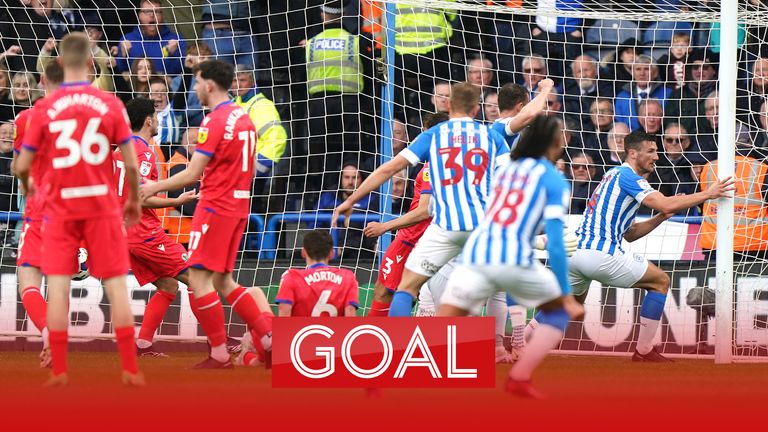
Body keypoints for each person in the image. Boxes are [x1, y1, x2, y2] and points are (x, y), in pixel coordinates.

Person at [15, 32, 143, 385]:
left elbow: (21, 166)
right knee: (116, 283)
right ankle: (130, 369)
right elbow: (130, 164)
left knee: (53, 285)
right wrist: (132, 200)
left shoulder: (40, 111)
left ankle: (59, 369)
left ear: (55, 67)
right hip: (100, 205)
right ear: (90, 61)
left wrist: (31, 191)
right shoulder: (111, 103)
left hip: (57, 206)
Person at [332, 82, 510, 317]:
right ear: (476, 109)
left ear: (448, 105)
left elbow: (387, 170)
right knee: (478, 296)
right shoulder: (492, 137)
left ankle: (400, 349)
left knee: (406, 288)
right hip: (483, 229)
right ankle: (479, 346)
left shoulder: (434, 135)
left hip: (445, 227)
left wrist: (349, 201)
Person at [437, 115, 584, 399]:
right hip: (511, 256)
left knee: (447, 319)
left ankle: (390, 379)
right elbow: (555, 241)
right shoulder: (554, 179)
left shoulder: (506, 169)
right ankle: (519, 376)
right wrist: (565, 291)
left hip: (478, 251)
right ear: (553, 142)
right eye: (561, 134)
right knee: (558, 312)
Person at [140, 59, 273, 369]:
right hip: (239, 205)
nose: (195, 88)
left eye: (198, 82)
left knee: (200, 280)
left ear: (210, 84)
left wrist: (152, 187)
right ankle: (269, 338)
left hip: (216, 207)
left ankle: (219, 353)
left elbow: (192, 174)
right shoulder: (244, 117)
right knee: (224, 280)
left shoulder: (214, 121)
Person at [565, 131, 734, 362]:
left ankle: (521, 343)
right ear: (633, 153)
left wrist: (661, 217)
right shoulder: (628, 177)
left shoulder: (611, 176)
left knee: (569, 307)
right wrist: (709, 193)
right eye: (651, 151)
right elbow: (664, 201)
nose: (656, 157)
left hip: (575, 253)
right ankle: (644, 350)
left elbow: (631, 234)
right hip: (600, 253)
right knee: (660, 281)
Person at [115, 98, 197, 357]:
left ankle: (143, 344)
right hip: (144, 231)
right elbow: (141, 196)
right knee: (197, 279)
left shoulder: (118, 151)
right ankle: (219, 342)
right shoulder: (144, 151)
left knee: (168, 286)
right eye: (157, 117)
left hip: (124, 232)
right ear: (148, 120)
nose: (159, 121)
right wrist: (177, 200)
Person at [362, 112, 448, 317]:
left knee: (388, 292)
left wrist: (384, 226)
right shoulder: (449, 164)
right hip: (433, 239)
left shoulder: (432, 167)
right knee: (414, 295)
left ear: (428, 132)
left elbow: (424, 211)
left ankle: (374, 344)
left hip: (413, 239)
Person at [238, 229, 359, 366]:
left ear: (303, 252)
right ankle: (255, 358)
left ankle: (248, 356)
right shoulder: (348, 277)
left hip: (296, 350)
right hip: (332, 351)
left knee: (254, 293)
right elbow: (351, 318)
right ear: (331, 254)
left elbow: (284, 318)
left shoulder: (292, 277)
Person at [9, 61, 62, 369]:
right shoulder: (81, 120)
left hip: (40, 209)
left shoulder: (26, 118)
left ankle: (47, 333)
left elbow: (19, 168)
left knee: (28, 279)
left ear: (42, 80)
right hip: (73, 210)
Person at [304, 1, 377, 191]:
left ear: (322, 14)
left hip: (319, 107)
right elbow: (370, 75)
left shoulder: (310, 44)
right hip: (350, 105)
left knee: (324, 156)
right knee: (351, 153)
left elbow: (301, 76)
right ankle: (353, 197)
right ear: (344, 14)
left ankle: (325, 198)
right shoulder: (355, 41)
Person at [699, 138, 768, 257]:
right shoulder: (762, 168)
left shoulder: (709, 167)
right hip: (754, 244)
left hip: (714, 242)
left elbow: (700, 200)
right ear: (750, 144)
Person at [231, 64, 287, 179]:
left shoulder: (262, 105)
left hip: (250, 174)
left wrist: (257, 168)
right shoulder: (235, 103)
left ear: (252, 81)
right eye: (234, 80)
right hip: (236, 170)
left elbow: (277, 139)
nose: (238, 85)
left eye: (242, 80)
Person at [115, 0, 186, 76]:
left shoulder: (176, 40)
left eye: (157, 12)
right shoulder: (127, 40)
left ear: (162, 16)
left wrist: (172, 56)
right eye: (147, 11)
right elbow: (120, 73)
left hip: (164, 87)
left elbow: (180, 75)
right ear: (139, 16)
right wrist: (122, 56)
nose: (152, 15)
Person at [614, 55, 671, 131]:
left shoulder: (668, 95)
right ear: (632, 73)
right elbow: (619, 124)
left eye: (646, 69)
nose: (642, 73)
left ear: (655, 73)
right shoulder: (622, 97)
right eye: (638, 69)